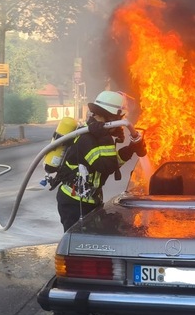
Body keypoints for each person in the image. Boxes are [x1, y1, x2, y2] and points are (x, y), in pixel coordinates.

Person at [56, 90, 147, 232]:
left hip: (90, 200)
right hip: (73, 202)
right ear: (109, 117)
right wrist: (106, 137)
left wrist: (130, 149)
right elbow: (106, 166)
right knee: (77, 242)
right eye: (117, 119)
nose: (118, 124)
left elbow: (111, 161)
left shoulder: (97, 135)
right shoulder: (87, 138)